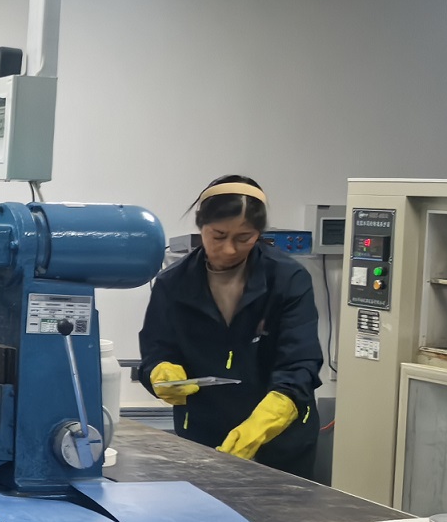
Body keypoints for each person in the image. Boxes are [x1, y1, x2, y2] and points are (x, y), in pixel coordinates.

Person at [137, 175, 325, 479]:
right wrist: (161, 373)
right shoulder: (173, 284)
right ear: (201, 226)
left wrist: (264, 423)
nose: (228, 249)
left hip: (279, 446)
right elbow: (156, 350)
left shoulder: (288, 280)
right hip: (202, 439)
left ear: (259, 234)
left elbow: (300, 364)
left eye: (244, 238)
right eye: (219, 235)